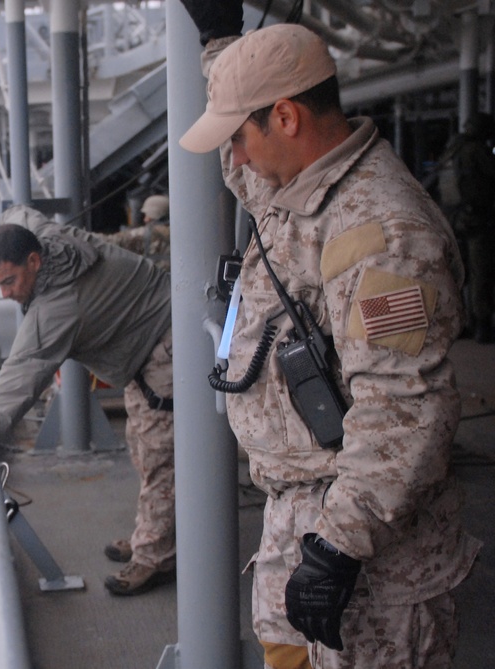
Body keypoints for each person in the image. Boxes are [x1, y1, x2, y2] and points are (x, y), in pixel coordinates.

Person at [176, 8, 481, 669]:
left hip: (370, 549)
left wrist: (337, 547)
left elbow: (405, 410)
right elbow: (245, 172)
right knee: (285, 654)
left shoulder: (381, 235)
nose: (235, 160)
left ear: (286, 118)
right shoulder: (296, 183)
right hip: (301, 514)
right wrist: (219, 44)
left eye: (238, 137)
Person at [0, 204, 175, 596]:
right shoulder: (44, 235)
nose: (6, 294)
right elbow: (17, 212)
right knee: (142, 447)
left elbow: (18, 378)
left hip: (163, 343)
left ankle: (155, 557)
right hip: (143, 338)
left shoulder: (57, 308)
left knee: (159, 455)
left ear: (34, 260)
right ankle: (154, 533)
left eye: (10, 281)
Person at [446, 113, 495, 343]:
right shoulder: (476, 151)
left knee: (458, 273)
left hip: (454, 219)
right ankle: (482, 325)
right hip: (476, 219)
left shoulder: (451, 150)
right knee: (480, 272)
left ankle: (461, 323)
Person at [102, 194, 172, 269]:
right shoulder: (175, 232)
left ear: (154, 214)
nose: (145, 219)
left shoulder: (147, 233)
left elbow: (114, 241)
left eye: (147, 215)